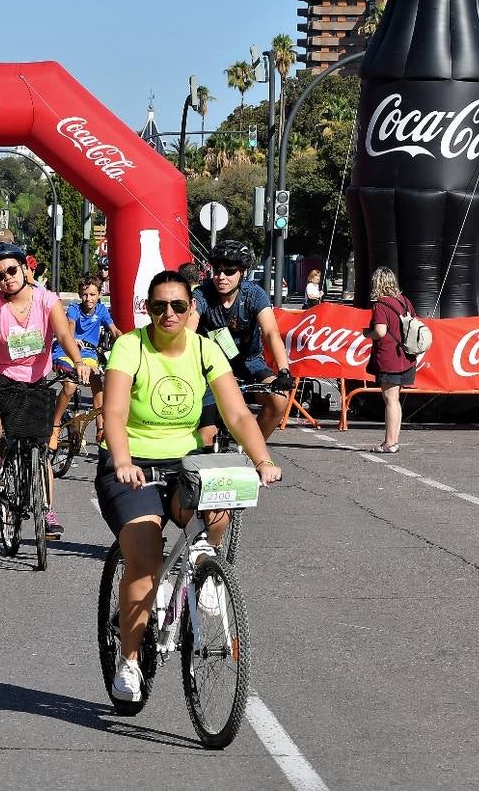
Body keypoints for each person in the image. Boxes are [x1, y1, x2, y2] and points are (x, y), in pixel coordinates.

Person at [98, 270, 281, 704]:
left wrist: (263, 460)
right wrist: (123, 460)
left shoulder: (204, 350)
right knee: (142, 552)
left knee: (217, 508)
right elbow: (115, 413)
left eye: (178, 306)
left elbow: (236, 414)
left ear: (190, 309)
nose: (169, 314)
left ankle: (205, 567)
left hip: (184, 461)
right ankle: (128, 661)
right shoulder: (130, 347)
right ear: (148, 308)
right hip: (133, 463)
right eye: (159, 306)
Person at [0, 243, 90, 539]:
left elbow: (63, 333)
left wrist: (78, 362)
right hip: (3, 377)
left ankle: (47, 510)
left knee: (39, 450)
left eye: (11, 270)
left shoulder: (47, 300)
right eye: (0, 275)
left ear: (24, 268)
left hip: (36, 380)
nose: (7, 277)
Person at [186, 240, 292, 446]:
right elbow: (189, 331)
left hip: (249, 364)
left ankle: (252, 451)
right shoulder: (202, 294)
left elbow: (271, 332)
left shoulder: (254, 294)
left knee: (279, 399)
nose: (221, 277)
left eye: (229, 271)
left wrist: (284, 370)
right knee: (207, 439)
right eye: (217, 270)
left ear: (242, 272)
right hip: (210, 368)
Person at [50, 274, 121, 448]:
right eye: (84, 294)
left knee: (97, 381)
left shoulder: (102, 310)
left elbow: (114, 331)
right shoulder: (74, 308)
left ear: (99, 295)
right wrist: (72, 338)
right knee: (70, 385)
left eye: (92, 294)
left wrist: (127, 342)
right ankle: (55, 425)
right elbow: (70, 325)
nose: (88, 298)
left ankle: (101, 426)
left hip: (88, 355)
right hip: (66, 351)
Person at [363, 266, 415, 454]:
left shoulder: (381, 305)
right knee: (396, 400)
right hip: (406, 356)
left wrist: (366, 334)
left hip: (389, 357)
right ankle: (394, 440)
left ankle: (389, 443)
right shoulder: (405, 301)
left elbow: (380, 332)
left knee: (390, 400)